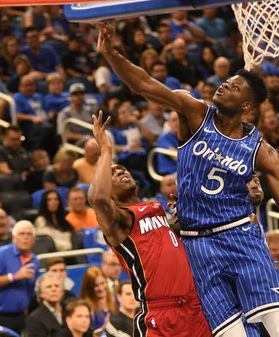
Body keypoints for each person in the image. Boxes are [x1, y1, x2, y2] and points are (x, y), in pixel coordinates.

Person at [97, 23, 279, 336]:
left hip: (240, 235)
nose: (224, 87)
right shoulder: (195, 113)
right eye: (226, 82)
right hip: (197, 244)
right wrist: (110, 53)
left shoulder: (261, 150)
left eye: (235, 87)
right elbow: (145, 85)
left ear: (246, 106)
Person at [86, 111, 212, 336]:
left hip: (195, 306)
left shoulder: (154, 208)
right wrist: (106, 149)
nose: (121, 171)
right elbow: (97, 198)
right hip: (160, 313)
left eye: (122, 169)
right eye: (113, 174)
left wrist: (184, 219)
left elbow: (168, 240)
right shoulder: (120, 221)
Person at [0, 221, 40, 333]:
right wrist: (14, 276)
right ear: (14, 238)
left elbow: (30, 288)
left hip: (19, 316)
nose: (25, 237)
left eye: (29, 234)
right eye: (22, 234)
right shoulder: (1, 254)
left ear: (34, 240)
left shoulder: (34, 260)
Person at [25, 272, 65, 337]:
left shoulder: (69, 311)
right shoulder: (34, 319)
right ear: (40, 293)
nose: (54, 289)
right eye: (49, 287)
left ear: (62, 291)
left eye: (57, 286)